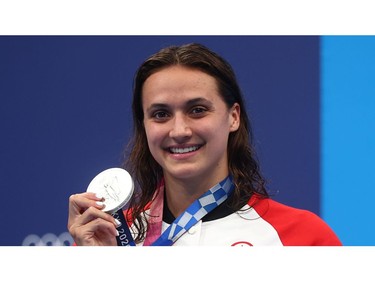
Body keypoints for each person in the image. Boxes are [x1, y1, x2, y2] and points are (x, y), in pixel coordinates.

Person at [68, 43, 342, 246]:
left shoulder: (302, 236)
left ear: (233, 117)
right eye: (161, 114)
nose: (179, 131)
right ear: (144, 125)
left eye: (197, 110)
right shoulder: (111, 236)